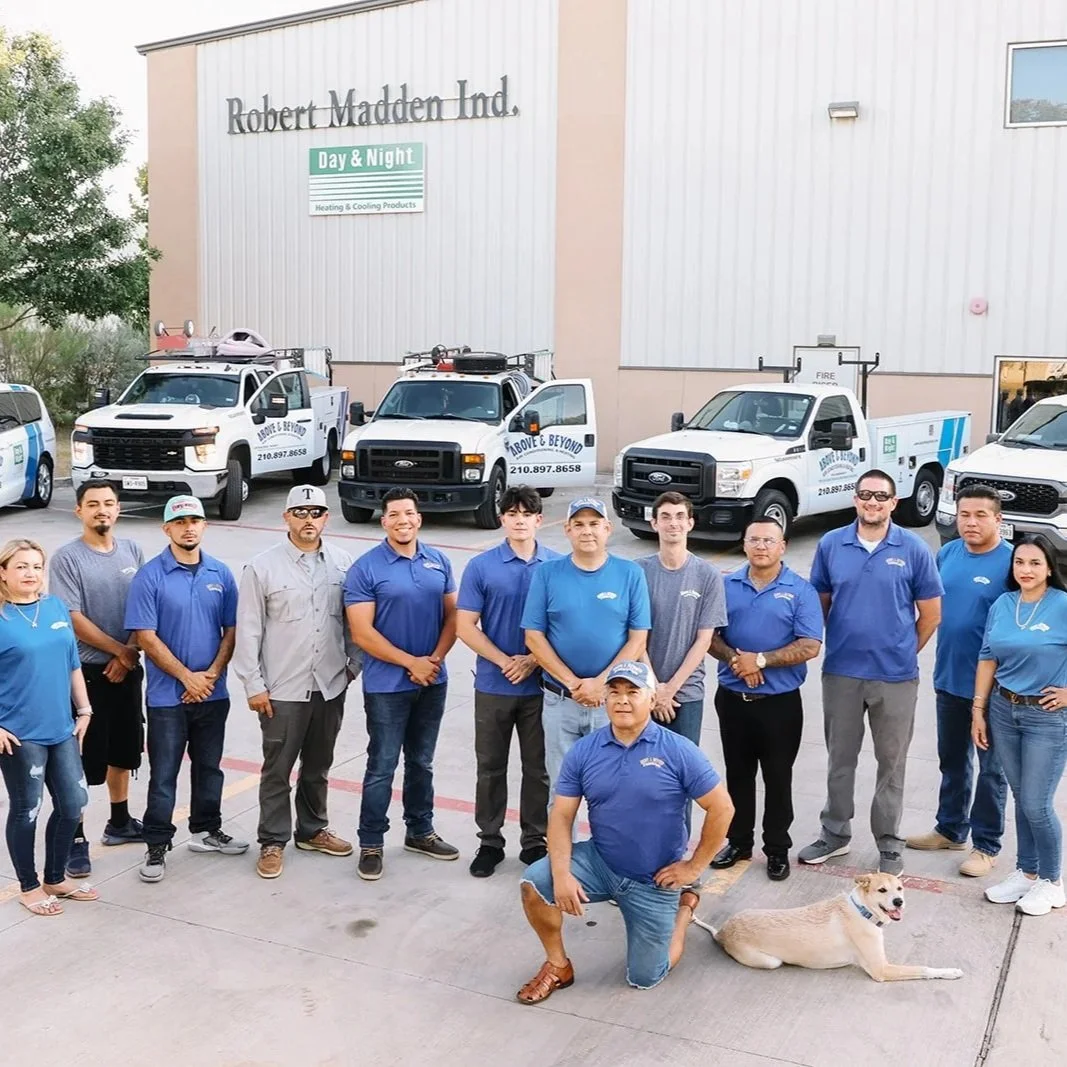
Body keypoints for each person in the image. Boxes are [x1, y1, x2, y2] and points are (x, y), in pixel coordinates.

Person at [515, 661, 733, 1003]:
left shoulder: (678, 751)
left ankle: (685, 907)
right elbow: (561, 816)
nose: (622, 700)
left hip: (654, 878)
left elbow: (722, 808)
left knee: (646, 976)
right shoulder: (585, 751)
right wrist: (561, 875)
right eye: (614, 692)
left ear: (651, 698)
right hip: (602, 862)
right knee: (534, 884)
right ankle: (558, 966)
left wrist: (692, 867)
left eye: (633, 692)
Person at [799, 470, 943, 875]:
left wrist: (901, 650)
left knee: (891, 762)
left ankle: (889, 843)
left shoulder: (913, 549)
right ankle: (834, 833)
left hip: (895, 677)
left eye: (881, 496)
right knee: (839, 758)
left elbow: (930, 615)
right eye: (865, 495)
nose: (873, 502)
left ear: (894, 503)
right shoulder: (831, 544)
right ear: (856, 499)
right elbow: (820, 602)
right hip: (842, 672)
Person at [233, 485, 361, 880]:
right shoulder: (262, 567)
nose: (309, 519)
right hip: (282, 688)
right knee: (277, 768)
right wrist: (253, 684)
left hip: (329, 684)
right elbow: (249, 629)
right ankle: (273, 840)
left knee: (319, 765)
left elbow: (355, 621)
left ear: (326, 518)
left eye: (317, 512)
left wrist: (352, 666)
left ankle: (312, 829)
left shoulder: (343, 564)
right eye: (300, 512)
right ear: (286, 518)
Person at [125, 495, 246, 883]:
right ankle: (157, 844)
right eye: (180, 522)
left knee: (210, 769)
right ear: (167, 529)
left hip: (213, 693)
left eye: (195, 520)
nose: (188, 527)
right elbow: (146, 636)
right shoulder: (150, 576)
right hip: (167, 698)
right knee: (163, 775)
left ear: (204, 526)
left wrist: (209, 674)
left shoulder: (221, 574)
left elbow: (231, 631)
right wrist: (187, 678)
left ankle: (207, 830)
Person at [344, 487, 460, 881]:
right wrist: (412, 662)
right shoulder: (366, 568)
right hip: (386, 687)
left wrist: (434, 661)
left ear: (419, 518)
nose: (403, 520)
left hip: (433, 680)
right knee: (382, 765)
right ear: (384, 522)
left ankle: (420, 831)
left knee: (422, 763)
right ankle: (372, 842)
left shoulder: (438, 560)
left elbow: (453, 618)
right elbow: (361, 633)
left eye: (408, 513)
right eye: (394, 514)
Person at [708, 516, 823, 881]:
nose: (761, 546)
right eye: (754, 539)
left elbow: (810, 645)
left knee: (777, 777)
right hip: (732, 699)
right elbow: (709, 636)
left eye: (769, 541)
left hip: (780, 705)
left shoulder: (800, 590)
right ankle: (739, 841)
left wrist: (760, 660)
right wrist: (737, 662)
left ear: (783, 546)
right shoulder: (726, 586)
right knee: (737, 775)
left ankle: (776, 848)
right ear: (744, 544)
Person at [906, 485, 1011, 876]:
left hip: (996, 689)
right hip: (949, 678)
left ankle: (986, 845)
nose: (971, 522)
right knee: (952, 760)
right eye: (965, 514)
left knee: (992, 770)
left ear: (999, 519)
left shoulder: (1012, 563)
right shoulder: (947, 553)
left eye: (981, 515)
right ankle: (950, 829)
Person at [457, 485, 560, 878]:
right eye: (512, 513)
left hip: (540, 686)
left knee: (538, 768)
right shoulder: (482, 567)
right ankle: (489, 841)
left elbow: (562, 624)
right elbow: (466, 625)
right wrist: (505, 661)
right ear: (502, 518)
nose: (519, 520)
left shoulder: (555, 566)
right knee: (491, 767)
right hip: (494, 685)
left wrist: (533, 660)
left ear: (539, 520)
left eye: (527, 514)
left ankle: (534, 841)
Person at [49, 479, 145, 880]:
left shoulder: (133, 550)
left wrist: (129, 653)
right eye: (93, 504)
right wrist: (118, 651)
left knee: (124, 751)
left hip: (127, 669)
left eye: (108, 503)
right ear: (79, 511)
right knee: (82, 760)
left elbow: (146, 605)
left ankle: (119, 822)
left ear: (118, 509)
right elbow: (72, 618)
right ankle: (74, 839)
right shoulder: (66, 559)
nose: (101, 510)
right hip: (86, 674)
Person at [522, 497, 650, 795]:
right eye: (578, 524)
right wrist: (575, 685)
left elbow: (638, 638)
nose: (587, 531)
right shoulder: (547, 573)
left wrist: (601, 684)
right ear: (567, 530)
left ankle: (606, 844)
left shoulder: (630, 573)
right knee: (561, 790)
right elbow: (534, 637)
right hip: (560, 700)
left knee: (613, 789)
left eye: (594, 524)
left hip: (613, 702)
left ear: (607, 528)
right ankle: (564, 845)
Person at [0, 539, 96, 916]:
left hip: (62, 728)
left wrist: (84, 709)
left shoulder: (54, 607)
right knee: (28, 808)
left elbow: (73, 663)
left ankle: (55, 877)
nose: (30, 574)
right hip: (20, 735)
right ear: (3, 573)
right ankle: (28, 885)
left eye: (37, 566)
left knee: (74, 804)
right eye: (21, 566)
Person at [972, 535, 1067, 916]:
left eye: (1034, 563)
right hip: (1003, 709)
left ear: (1049, 568)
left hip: (1046, 717)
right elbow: (987, 657)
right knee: (1019, 795)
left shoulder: (1062, 605)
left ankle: (1052, 880)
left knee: (1036, 802)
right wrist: (978, 710)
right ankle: (1027, 873)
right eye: (1019, 563)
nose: (1025, 570)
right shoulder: (1003, 604)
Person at [635, 491, 726, 749]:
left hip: (686, 694)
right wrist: (653, 687)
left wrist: (669, 690)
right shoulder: (638, 572)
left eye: (679, 516)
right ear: (654, 523)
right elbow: (635, 635)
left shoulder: (708, 575)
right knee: (641, 774)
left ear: (690, 523)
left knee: (683, 776)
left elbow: (704, 640)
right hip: (641, 690)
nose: (672, 523)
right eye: (665, 516)